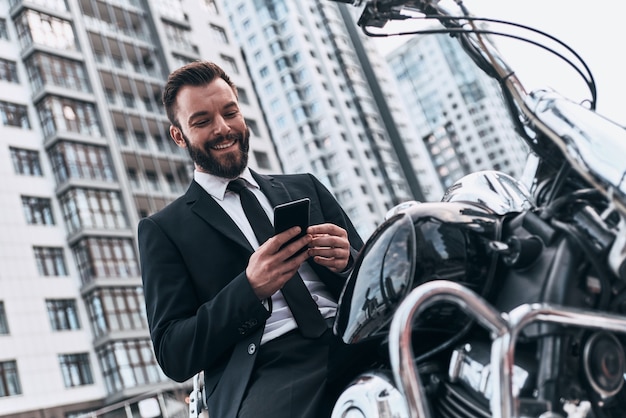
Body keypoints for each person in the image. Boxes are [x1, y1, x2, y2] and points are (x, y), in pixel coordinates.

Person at [138, 60, 364, 418]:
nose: (223, 129)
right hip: (268, 369)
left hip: (350, 333)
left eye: (230, 113)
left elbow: (376, 279)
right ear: (178, 136)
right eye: (202, 121)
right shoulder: (163, 230)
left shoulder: (305, 185)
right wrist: (249, 288)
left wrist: (350, 259)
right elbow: (173, 352)